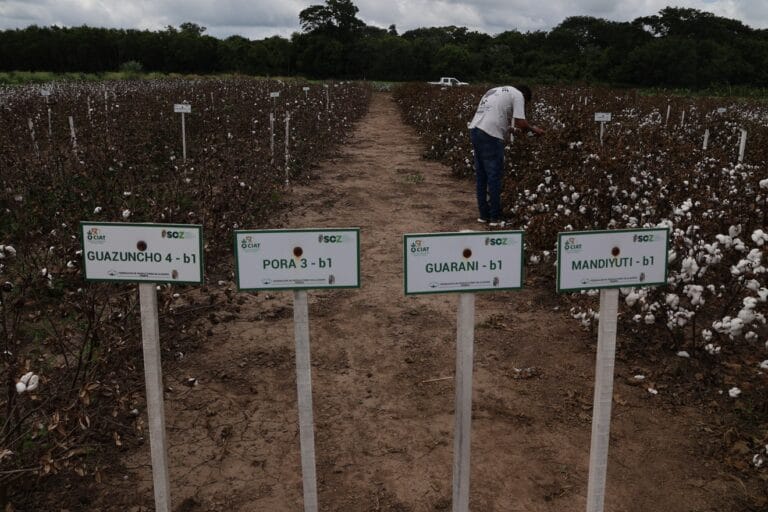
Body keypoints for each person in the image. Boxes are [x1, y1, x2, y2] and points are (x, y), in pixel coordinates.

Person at [468, 85, 544, 227]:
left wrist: (510, 129)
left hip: (475, 130)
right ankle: (495, 218)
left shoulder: (497, 91)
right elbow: (521, 122)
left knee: (482, 176)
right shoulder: (519, 95)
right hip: (490, 135)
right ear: (525, 96)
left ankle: (484, 216)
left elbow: (494, 116)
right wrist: (535, 130)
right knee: (494, 176)